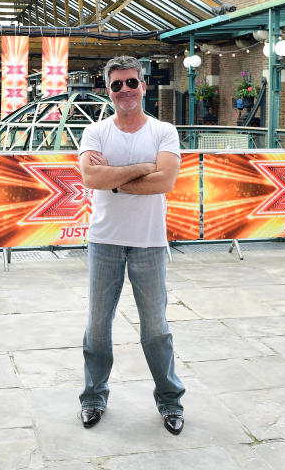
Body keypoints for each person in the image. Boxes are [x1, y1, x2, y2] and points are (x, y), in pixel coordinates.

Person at [76, 55, 185, 435]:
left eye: (131, 83)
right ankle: (93, 397)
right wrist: (142, 167)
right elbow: (91, 176)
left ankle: (170, 401)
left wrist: (115, 180)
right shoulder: (95, 132)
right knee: (97, 325)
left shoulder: (163, 131)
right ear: (108, 90)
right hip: (104, 240)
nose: (125, 90)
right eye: (117, 84)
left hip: (149, 241)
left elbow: (166, 181)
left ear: (143, 85)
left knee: (156, 327)